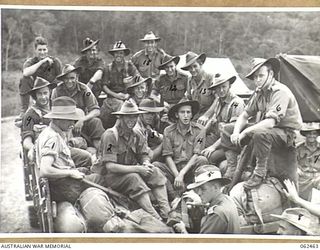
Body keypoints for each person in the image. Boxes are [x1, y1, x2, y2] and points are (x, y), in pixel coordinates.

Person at [220, 57, 303, 189]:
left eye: (261, 76)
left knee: (260, 133)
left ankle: (260, 172)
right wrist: (236, 132)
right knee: (227, 129)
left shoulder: (280, 91)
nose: (257, 80)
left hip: (286, 133)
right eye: (255, 77)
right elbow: (245, 114)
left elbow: (270, 122)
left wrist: (246, 132)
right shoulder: (259, 92)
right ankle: (232, 166)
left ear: (271, 74)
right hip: (269, 130)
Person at [96, 100, 171, 221]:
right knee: (134, 178)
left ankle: (166, 212)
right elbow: (110, 167)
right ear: (120, 117)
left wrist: (146, 163)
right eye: (128, 117)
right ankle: (155, 216)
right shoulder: (110, 135)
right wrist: (138, 169)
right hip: (112, 177)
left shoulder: (136, 134)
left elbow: (143, 154)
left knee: (155, 171)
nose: (132, 120)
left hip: (129, 171)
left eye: (134, 116)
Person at [34, 96, 104, 204]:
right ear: (57, 118)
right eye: (69, 119)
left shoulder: (48, 132)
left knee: (88, 169)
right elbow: (45, 170)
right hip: (64, 187)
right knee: (102, 178)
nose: (72, 123)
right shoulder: (53, 138)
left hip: (61, 181)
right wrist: (70, 173)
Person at [22, 76, 92, 168]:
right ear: (35, 96)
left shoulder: (55, 106)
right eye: (40, 94)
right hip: (48, 149)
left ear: (50, 92)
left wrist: (81, 119)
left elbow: (78, 111)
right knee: (86, 157)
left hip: (64, 144)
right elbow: (26, 141)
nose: (43, 97)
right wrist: (34, 150)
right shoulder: (30, 115)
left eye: (45, 93)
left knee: (86, 148)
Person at [153, 98, 208, 200]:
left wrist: (182, 174)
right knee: (156, 166)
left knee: (202, 160)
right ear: (177, 115)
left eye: (188, 112)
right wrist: (177, 175)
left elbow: (196, 155)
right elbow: (168, 156)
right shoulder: (168, 131)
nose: (186, 115)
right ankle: (173, 196)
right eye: (182, 112)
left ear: (192, 114)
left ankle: (193, 192)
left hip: (190, 169)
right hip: (174, 169)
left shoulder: (200, 130)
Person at [51, 64, 105, 150]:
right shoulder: (57, 91)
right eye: (66, 78)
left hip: (81, 122)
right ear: (63, 79)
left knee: (96, 122)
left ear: (77, 77)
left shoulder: (84, 89)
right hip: (64, 122)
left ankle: (100, 150)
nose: (69, 81)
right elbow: (53, 113)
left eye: (72, 78)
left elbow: (96, 110)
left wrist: (82, 119)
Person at [174, 165, 240, 234]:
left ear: (215, 187)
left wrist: (183, 230)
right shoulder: (227, 199)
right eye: (198, 188)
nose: (199, 193)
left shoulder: (216, 214)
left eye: (203, 189)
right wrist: (204, 204)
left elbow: (202, 243)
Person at [201, 73, 245, 176]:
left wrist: (212, 147)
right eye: (218, 88)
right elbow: (213, 120)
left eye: (224, 87)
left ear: (229, 86)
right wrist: (201, 135)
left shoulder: (236, 103)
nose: (221, 90)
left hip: (231, 145)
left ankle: (212, 178)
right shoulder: (219, 101)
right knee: (197, 146)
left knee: (209, 156)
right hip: (218, 138)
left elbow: (230, 133)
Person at [17, 36, 62, 122]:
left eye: (44, 50)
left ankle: (55, 110)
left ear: (47, 50)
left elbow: (60, 79)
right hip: (37, 92)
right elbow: (25, 73)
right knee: (24, 79)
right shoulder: (31, 62)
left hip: (51, 92)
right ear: (35, 51)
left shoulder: (55, 61)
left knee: (59, 83)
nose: (42, 52)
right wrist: (41, 62)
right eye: (39, 50)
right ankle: (24, 110)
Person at [100, 41, 139, 129]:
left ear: (124, 54)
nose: (118, 55)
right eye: (116, 53)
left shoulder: (130, 66)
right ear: (113, 54)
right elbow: (104, 86)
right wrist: (116, 95)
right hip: (112, 97)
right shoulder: (108, 68)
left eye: (121, 53)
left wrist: (128, 94)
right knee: (104, 114)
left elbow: (138, 80)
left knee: (130, 110)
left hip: (128, 96)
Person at [181, 51, 215, 119]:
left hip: (210, 115)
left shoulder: (210, 78)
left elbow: (218, 99)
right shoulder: (190, 80)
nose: (192, 70)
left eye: (195, 66)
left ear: (201, 64)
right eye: (190, 67)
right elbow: (188, 98)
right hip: (195, 115)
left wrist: (206, 116)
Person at [296, 123, 320, 201]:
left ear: (317, 135)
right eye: (309, 133)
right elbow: (292, 163)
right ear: (305, 134)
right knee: (299, 200)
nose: (311, 136)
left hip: (318, 178)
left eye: (314, 133)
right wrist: (297, 169)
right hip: (303, 179)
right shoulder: (298, 148)